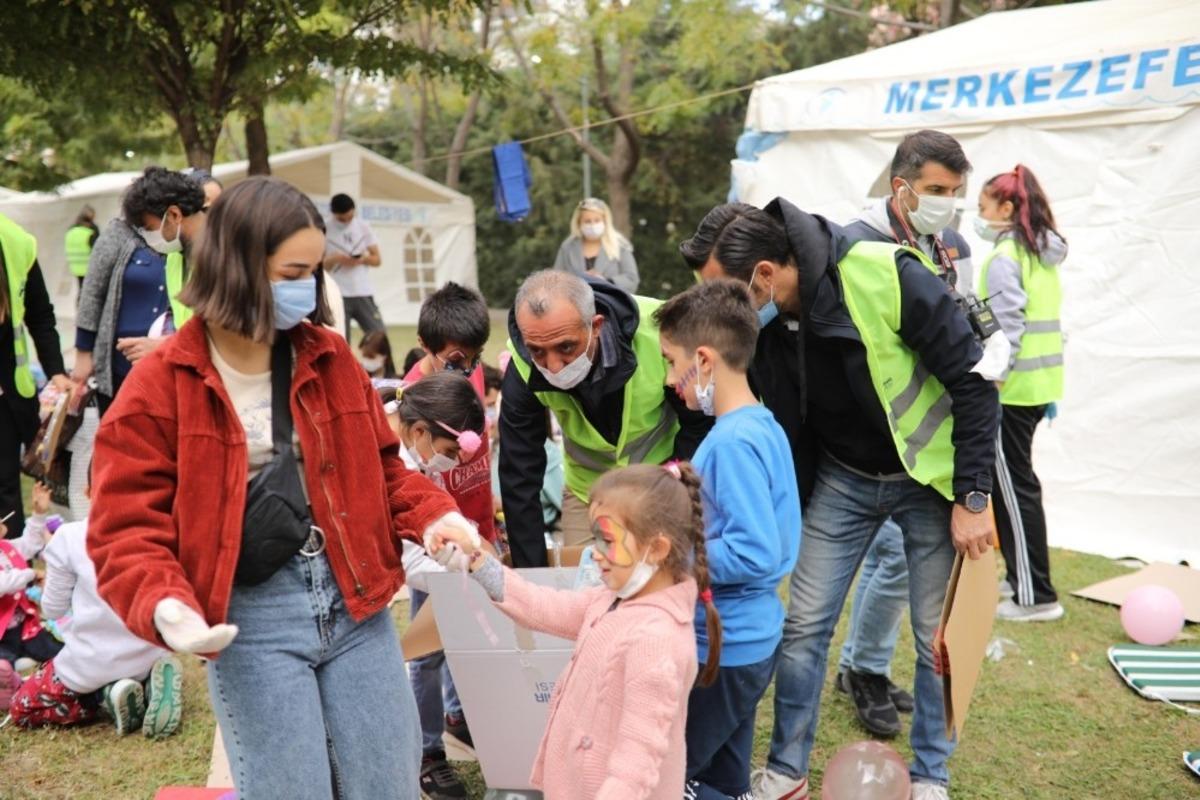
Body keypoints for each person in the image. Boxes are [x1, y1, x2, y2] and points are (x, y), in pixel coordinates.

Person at [87, 176, 475, 799]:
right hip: (252, 617)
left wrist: (438, 520)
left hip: (357, 603)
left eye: (314, 271)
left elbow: (387, 471)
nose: (308, 289)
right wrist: (165, 601)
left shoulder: (330, 357)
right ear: (238, 267)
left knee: (388, 786)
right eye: (293, 271)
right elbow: (124, 523)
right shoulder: (162, 382)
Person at [682, 198, 999, 800]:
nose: (718, 312)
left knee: (938, 639)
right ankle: (786, 771)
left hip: (929, 481)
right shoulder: (766, 322)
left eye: (726, 292)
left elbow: (975, 380)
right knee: (803, 626)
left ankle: (931, 775)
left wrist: (973, 495)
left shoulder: (886, 273)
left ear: (766, 277)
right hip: (843, 479)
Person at [429, 461, 718, 800]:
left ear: (656, 548)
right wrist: (477, 561)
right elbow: (543, 607)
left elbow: (635, 768)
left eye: (606, 540)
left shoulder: (656, 645)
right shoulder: (614, 599)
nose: (594, 554)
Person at [833, 130, 979, 737]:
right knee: (889, 559)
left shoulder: (955, 245)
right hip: (874, 435)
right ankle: (862, 668)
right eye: (937, 191)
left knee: (893, 560)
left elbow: (967, 327)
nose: (948, 204)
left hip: (933, 435)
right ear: (902, 187)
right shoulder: (857, 242)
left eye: (956, 192)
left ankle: (860, 665)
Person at [654, 281, 801, 800]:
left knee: (668, 776)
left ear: (704, 359)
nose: (671, 380)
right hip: (748, 641)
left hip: (724, 648)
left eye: (672, 364)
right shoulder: (759, 425)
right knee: (724, 778)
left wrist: (669, 555)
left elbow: (754, 551)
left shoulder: (733, 442)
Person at [500, 270, 712, 567]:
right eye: (537, 351)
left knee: (662, 579)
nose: (554, 366)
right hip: (586, 492)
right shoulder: (522, 367)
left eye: (566, 347)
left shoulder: (660, 333)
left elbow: (699, 425)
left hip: (663, 480)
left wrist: (670, 493)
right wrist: (532, 575)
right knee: (586, 587)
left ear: (596, 326)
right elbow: (519, 474)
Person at [10, 468, 184, 737]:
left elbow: (54, 609)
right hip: (150, 649)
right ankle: (149, 683)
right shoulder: (159, 533)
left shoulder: (69, 537)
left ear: (89, 491)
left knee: (22, 707)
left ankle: (104, 696)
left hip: (91, 661)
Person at [390, 372, 493, 800]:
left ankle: (446, 725)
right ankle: (423, 752)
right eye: (450, 453)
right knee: (424, 657)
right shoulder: (390, 459)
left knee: (441, 646)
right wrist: (471, 567)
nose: (451, 463)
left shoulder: (418, 458)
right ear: (418, 432)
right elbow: (408, 559)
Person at [976, 164, 1067, 623]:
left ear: (1007, 208)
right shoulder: (1039, 253)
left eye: (983, 207)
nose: (979, 215)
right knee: (1017, 485)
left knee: (1012, 489)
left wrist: (992, 383)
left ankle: (1036, 597)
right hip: (1038, 386)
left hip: (1011, 392)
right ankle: (1021, 581)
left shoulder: (1006, 256)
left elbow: (1008, 327)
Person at [72, 167, 208, 413]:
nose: (147, 238)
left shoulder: (221, 255)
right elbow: (92, 292)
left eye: (148, 227)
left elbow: (223, 332)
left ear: (174, 215)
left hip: (195, 376)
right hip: (157, 366)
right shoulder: (177, 257)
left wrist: (165, 346)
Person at [1, 212, 70, 537]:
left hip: (9, 396)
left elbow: (40, 316)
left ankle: (10, 578)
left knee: (6, 496)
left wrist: (56, 371)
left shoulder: (17, 242)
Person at [0, 483, 61, 668]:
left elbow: (30, 544)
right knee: (4, 672)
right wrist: (32, 573)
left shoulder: (6, 548)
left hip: (26, 629)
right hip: (2, 638)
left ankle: (93, 692)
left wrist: (39, 513)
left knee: (62, 656)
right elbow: (4, 583)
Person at [404, 282, 489, 394]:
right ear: (424, 344)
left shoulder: (471, 363)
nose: (469, 370)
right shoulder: (413, 395)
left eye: (476, 357)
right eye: (456, 360)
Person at [322, 192, 385, 341]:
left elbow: (377, 259)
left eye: (350, 217)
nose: (346, 222)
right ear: (334, 214)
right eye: (342, 219)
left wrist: (363, 259)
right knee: (341, 340)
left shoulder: (363, 227)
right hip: (337, 293)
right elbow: (318, 266)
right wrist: (335, 259)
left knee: (379, 336)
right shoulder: (324, 229)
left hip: (362, 291)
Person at [553, 197, 639, 293]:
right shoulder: (567, 247)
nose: (592, 225)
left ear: (605, 221)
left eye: (597, 220)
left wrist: (606, 282)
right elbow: (556, 279)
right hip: (576, 303)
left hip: (610, 302)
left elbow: (632, 279)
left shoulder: (620, 245)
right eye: (587, 221)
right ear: (578, 223)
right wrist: (579, 280)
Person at [65, 205, 100, 299]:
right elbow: (98, 249)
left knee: (81, 289)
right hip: (88, 266)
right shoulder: (90, 231)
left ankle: (80, 311)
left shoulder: (71, 231)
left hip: (75, 266)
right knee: (89, 293)